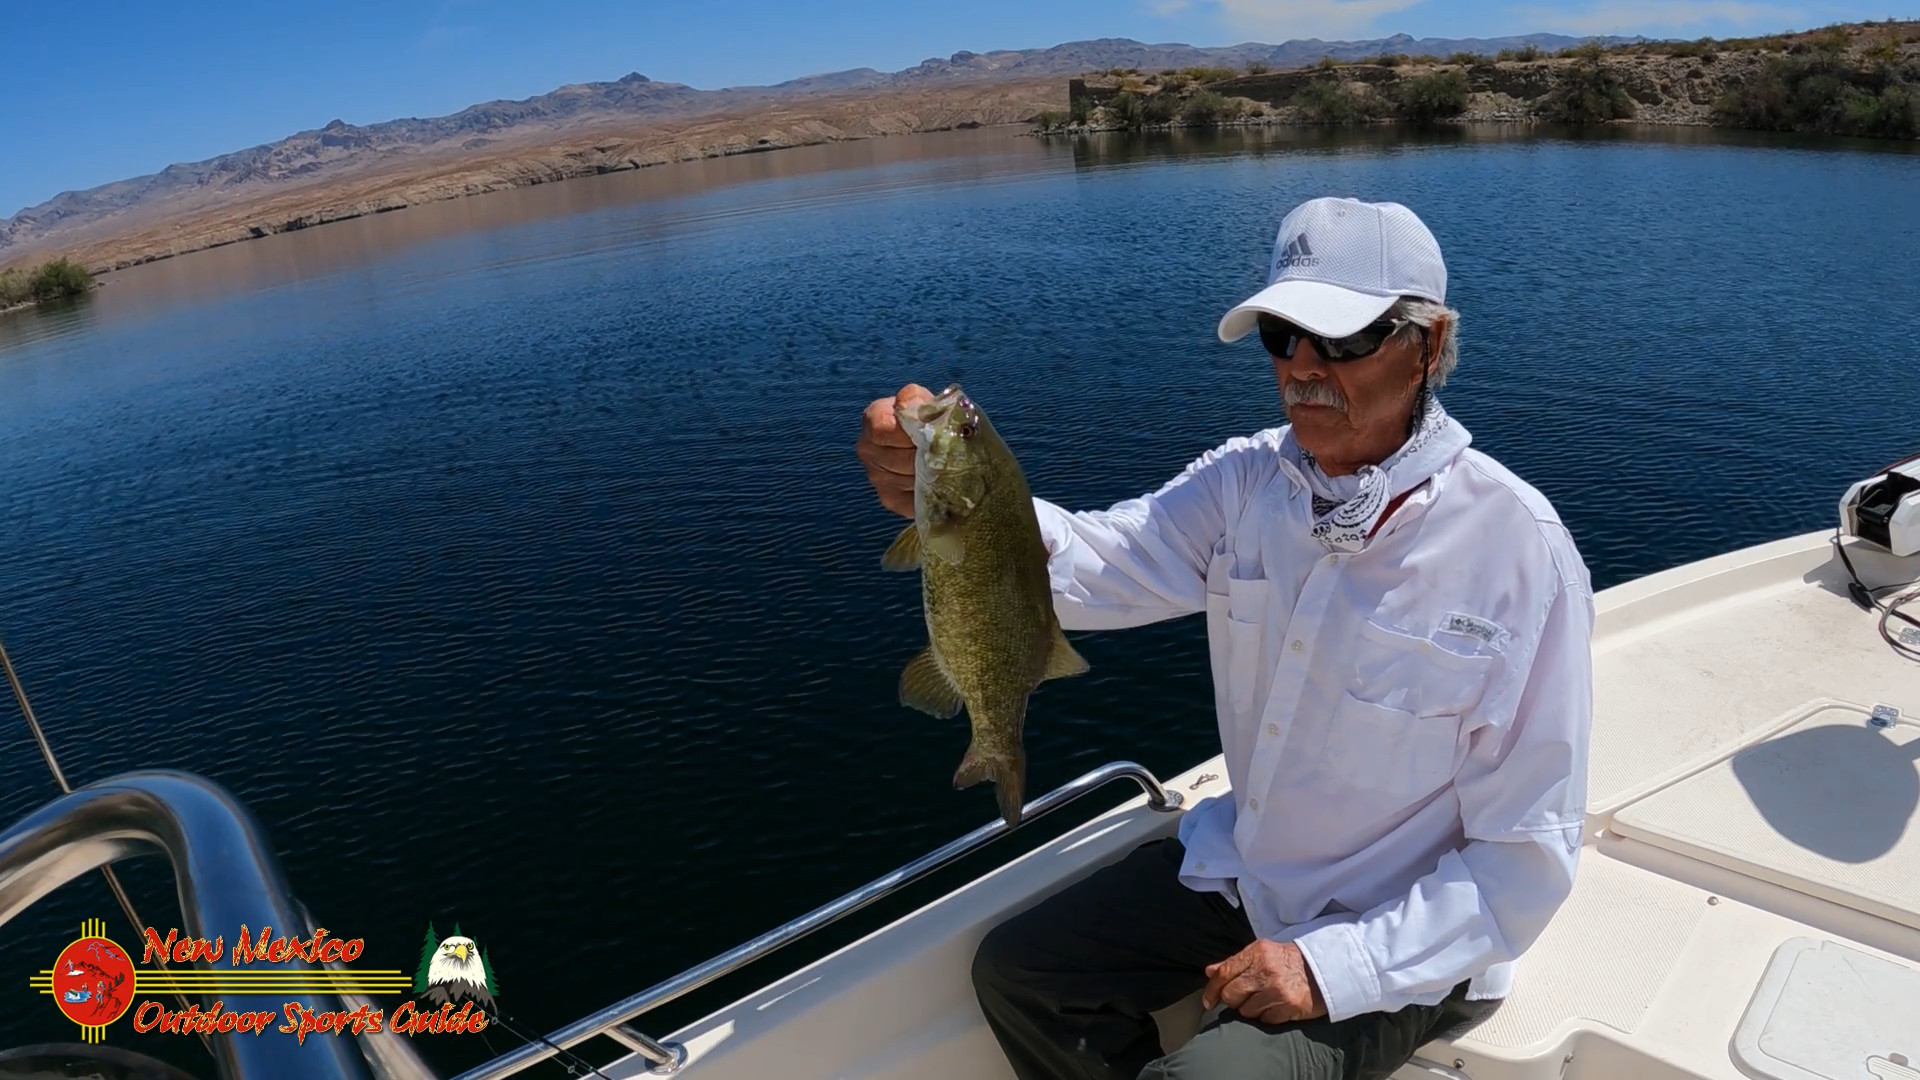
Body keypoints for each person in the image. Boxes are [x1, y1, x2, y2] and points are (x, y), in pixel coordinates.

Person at [855, 196, 1594, 1080]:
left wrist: (1330, 969)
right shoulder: (1246, 483)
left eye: (1346, 341)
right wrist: (956, 510)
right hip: (1247, 874)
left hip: (1408, 938)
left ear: (1428, 345)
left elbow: (1526, 857)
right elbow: (1100, 563)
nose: (1305, 369)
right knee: (1021, 975)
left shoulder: (1518, 553)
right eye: (1284, 336)